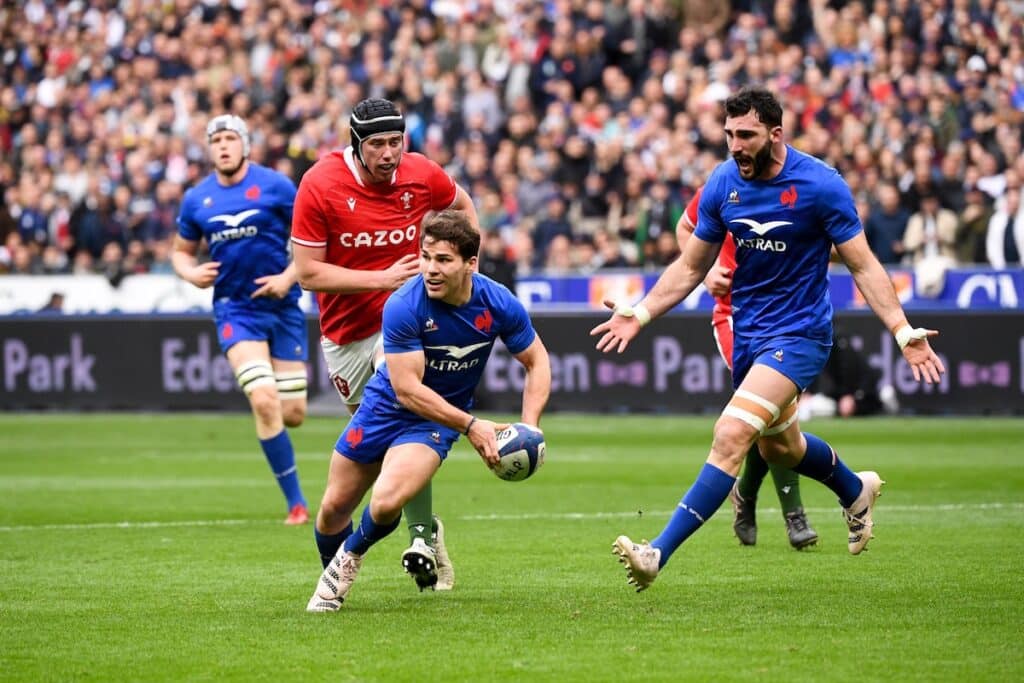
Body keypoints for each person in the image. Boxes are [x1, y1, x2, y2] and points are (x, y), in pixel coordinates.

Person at [592, 86, 944, 591]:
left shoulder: (821, 185)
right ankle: (855, 489)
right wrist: (642, 311)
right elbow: (692, 264)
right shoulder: (722, 183)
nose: (735, 145)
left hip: (800, 335)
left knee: (731, 436)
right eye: (729, 134)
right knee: (781, 449)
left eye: (747, 135)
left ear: (775, 134)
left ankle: (655, 554)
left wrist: (902, 330)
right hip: (749, 331)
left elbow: (863, 264)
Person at [305, 211, 551, 611]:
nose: (431, 269)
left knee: (385, 503)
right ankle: (337, 562)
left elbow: (537, 361)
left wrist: (530, 426)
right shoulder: (404, 304)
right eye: (426, 257)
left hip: (433, 422)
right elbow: (406, 390)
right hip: (386, 407)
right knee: (332, 510)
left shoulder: (498, 302)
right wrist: (472, 426)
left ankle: (345, 566)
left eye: (444, 260)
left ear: (471, 263)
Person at [291, 97, 482, 591]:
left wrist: (470, 258)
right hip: (344, 338)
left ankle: (418, 539)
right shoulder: (320, 185)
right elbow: (309, 274)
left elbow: (463, 206)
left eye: (396, 142)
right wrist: (380, 279)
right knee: (383, 455)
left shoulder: (422, 174)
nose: (389, 153)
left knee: (406, 398)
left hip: (407, 325)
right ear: (357, 145)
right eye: (377, 144)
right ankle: (419, 534)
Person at [174, 114, 310, 525]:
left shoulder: (276, 187)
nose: (224, 146)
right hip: (236, 309)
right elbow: (181, 251)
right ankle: (297, 504)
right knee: (265, 400)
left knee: (293, 413)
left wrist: (288, 278)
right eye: (216, 140)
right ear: (209, 149)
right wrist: (190, 272)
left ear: (245, 145)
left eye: (231, 138)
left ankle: (266, 406)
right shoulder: (198, 199)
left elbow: (311, 241)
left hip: (284, 307)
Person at [676, 187, 818, 550]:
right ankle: (794, 513)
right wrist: (707, 274)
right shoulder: (722, 185)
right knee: (772, 413)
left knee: (765, 417)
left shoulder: (799, 187)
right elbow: (685, 227)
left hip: (787, 320)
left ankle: (745, 494)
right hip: (737, 318)